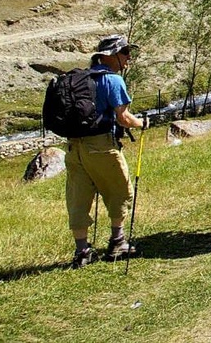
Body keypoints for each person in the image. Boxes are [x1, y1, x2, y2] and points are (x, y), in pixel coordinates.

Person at [65, 35, 148, 268]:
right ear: (111, 56)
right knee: (119, 191)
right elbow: (123, 119)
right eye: (124, 53)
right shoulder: (113, 81)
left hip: (73, 147)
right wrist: (142, 123)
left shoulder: (81, 78)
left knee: (78, 199)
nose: (128, 58)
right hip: (101, 146)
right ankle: (117, 241)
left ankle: (82, 252)